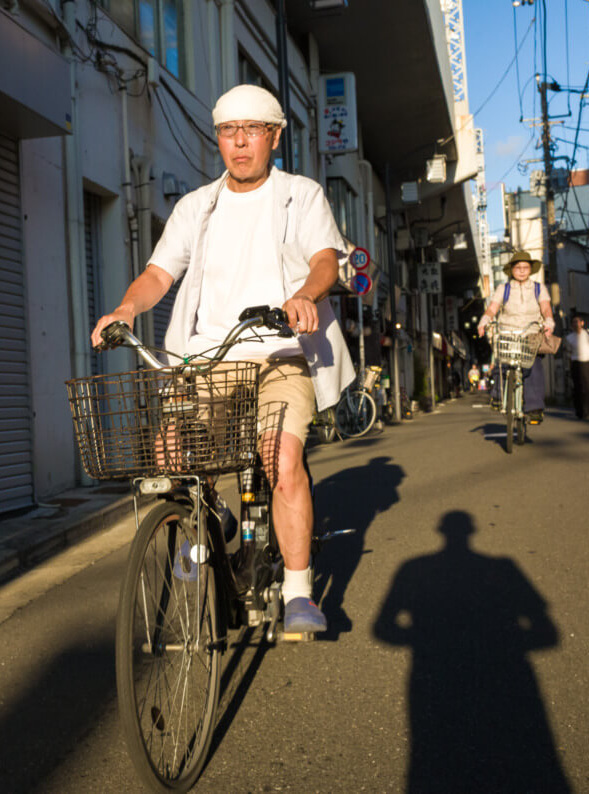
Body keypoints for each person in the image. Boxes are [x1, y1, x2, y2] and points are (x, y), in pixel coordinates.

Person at [90, 84, 354, 634]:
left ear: (274, 137)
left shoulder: (300, 195)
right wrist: (125, 308)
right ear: (218, 139)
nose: (239, 143)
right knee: (171, 451)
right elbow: (159, 274)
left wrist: (307, 294)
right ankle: (213, 516)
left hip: (281, 352)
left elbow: (326, 260)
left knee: (280, 460)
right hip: (210, 357)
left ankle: (300, 592)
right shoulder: (197, 206)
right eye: (229, 132)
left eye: (252, 131)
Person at [475, 250, 554, 424]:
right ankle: (497, 396)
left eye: (525, 267)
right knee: (502, 363)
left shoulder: (539, 288)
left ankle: (534, 409)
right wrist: (484, 321)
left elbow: (546, 307)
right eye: (518, 267)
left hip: (531, 333)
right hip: (508, 332)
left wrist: (548, 321)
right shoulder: (504, 288)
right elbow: (493, 308)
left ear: (530, 269)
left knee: (535, 366)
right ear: (511, 270)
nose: (522, 270)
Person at [563, 312, 589, 419]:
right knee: (578, 388)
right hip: (576, 363)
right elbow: (568, 354)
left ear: (582, 323)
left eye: (577, 322)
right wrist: (569, 367)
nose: (576, 324)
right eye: (573, 322)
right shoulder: (569, 338)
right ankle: (580, 411)